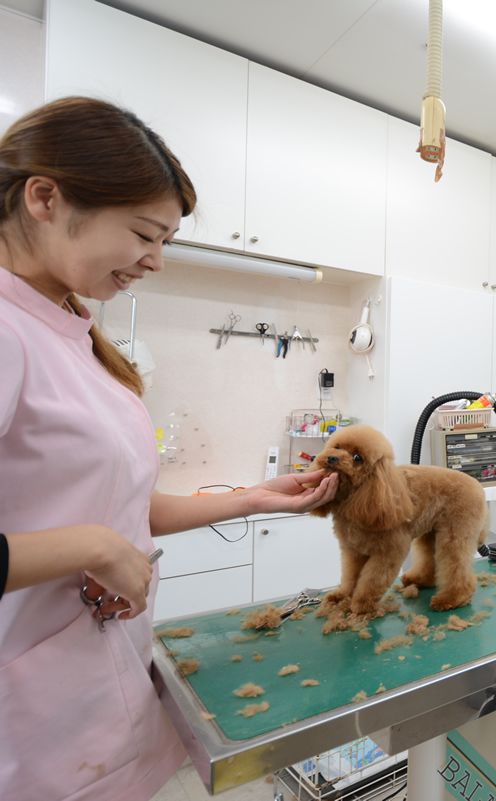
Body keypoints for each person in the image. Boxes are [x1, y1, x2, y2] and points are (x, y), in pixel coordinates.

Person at [0, 97, 338, 801]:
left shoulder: (69, 328)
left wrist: (249, 497)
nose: (155, 260)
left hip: (94, 707)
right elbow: (96, 528)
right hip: (29, 734)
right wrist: (93, 546)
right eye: (144, 233)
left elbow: (114, 503)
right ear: (43, 197)